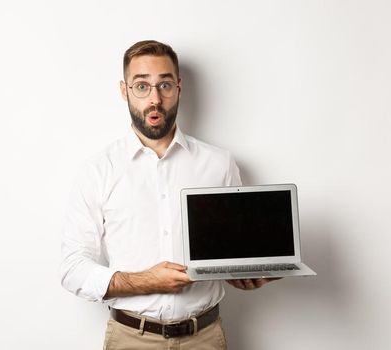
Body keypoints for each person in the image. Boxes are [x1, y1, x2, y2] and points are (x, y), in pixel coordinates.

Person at [60, 40, 278, 349]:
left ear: (178, 87)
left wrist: (246, 273)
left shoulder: (219, 164)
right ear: (124, 91)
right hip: (130, 338)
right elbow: (73, 269)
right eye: (141, 86)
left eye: (164, 84)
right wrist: (144, 281)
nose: (155, 99)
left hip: (204, 337)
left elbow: (231, 251)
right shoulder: (98, 170)